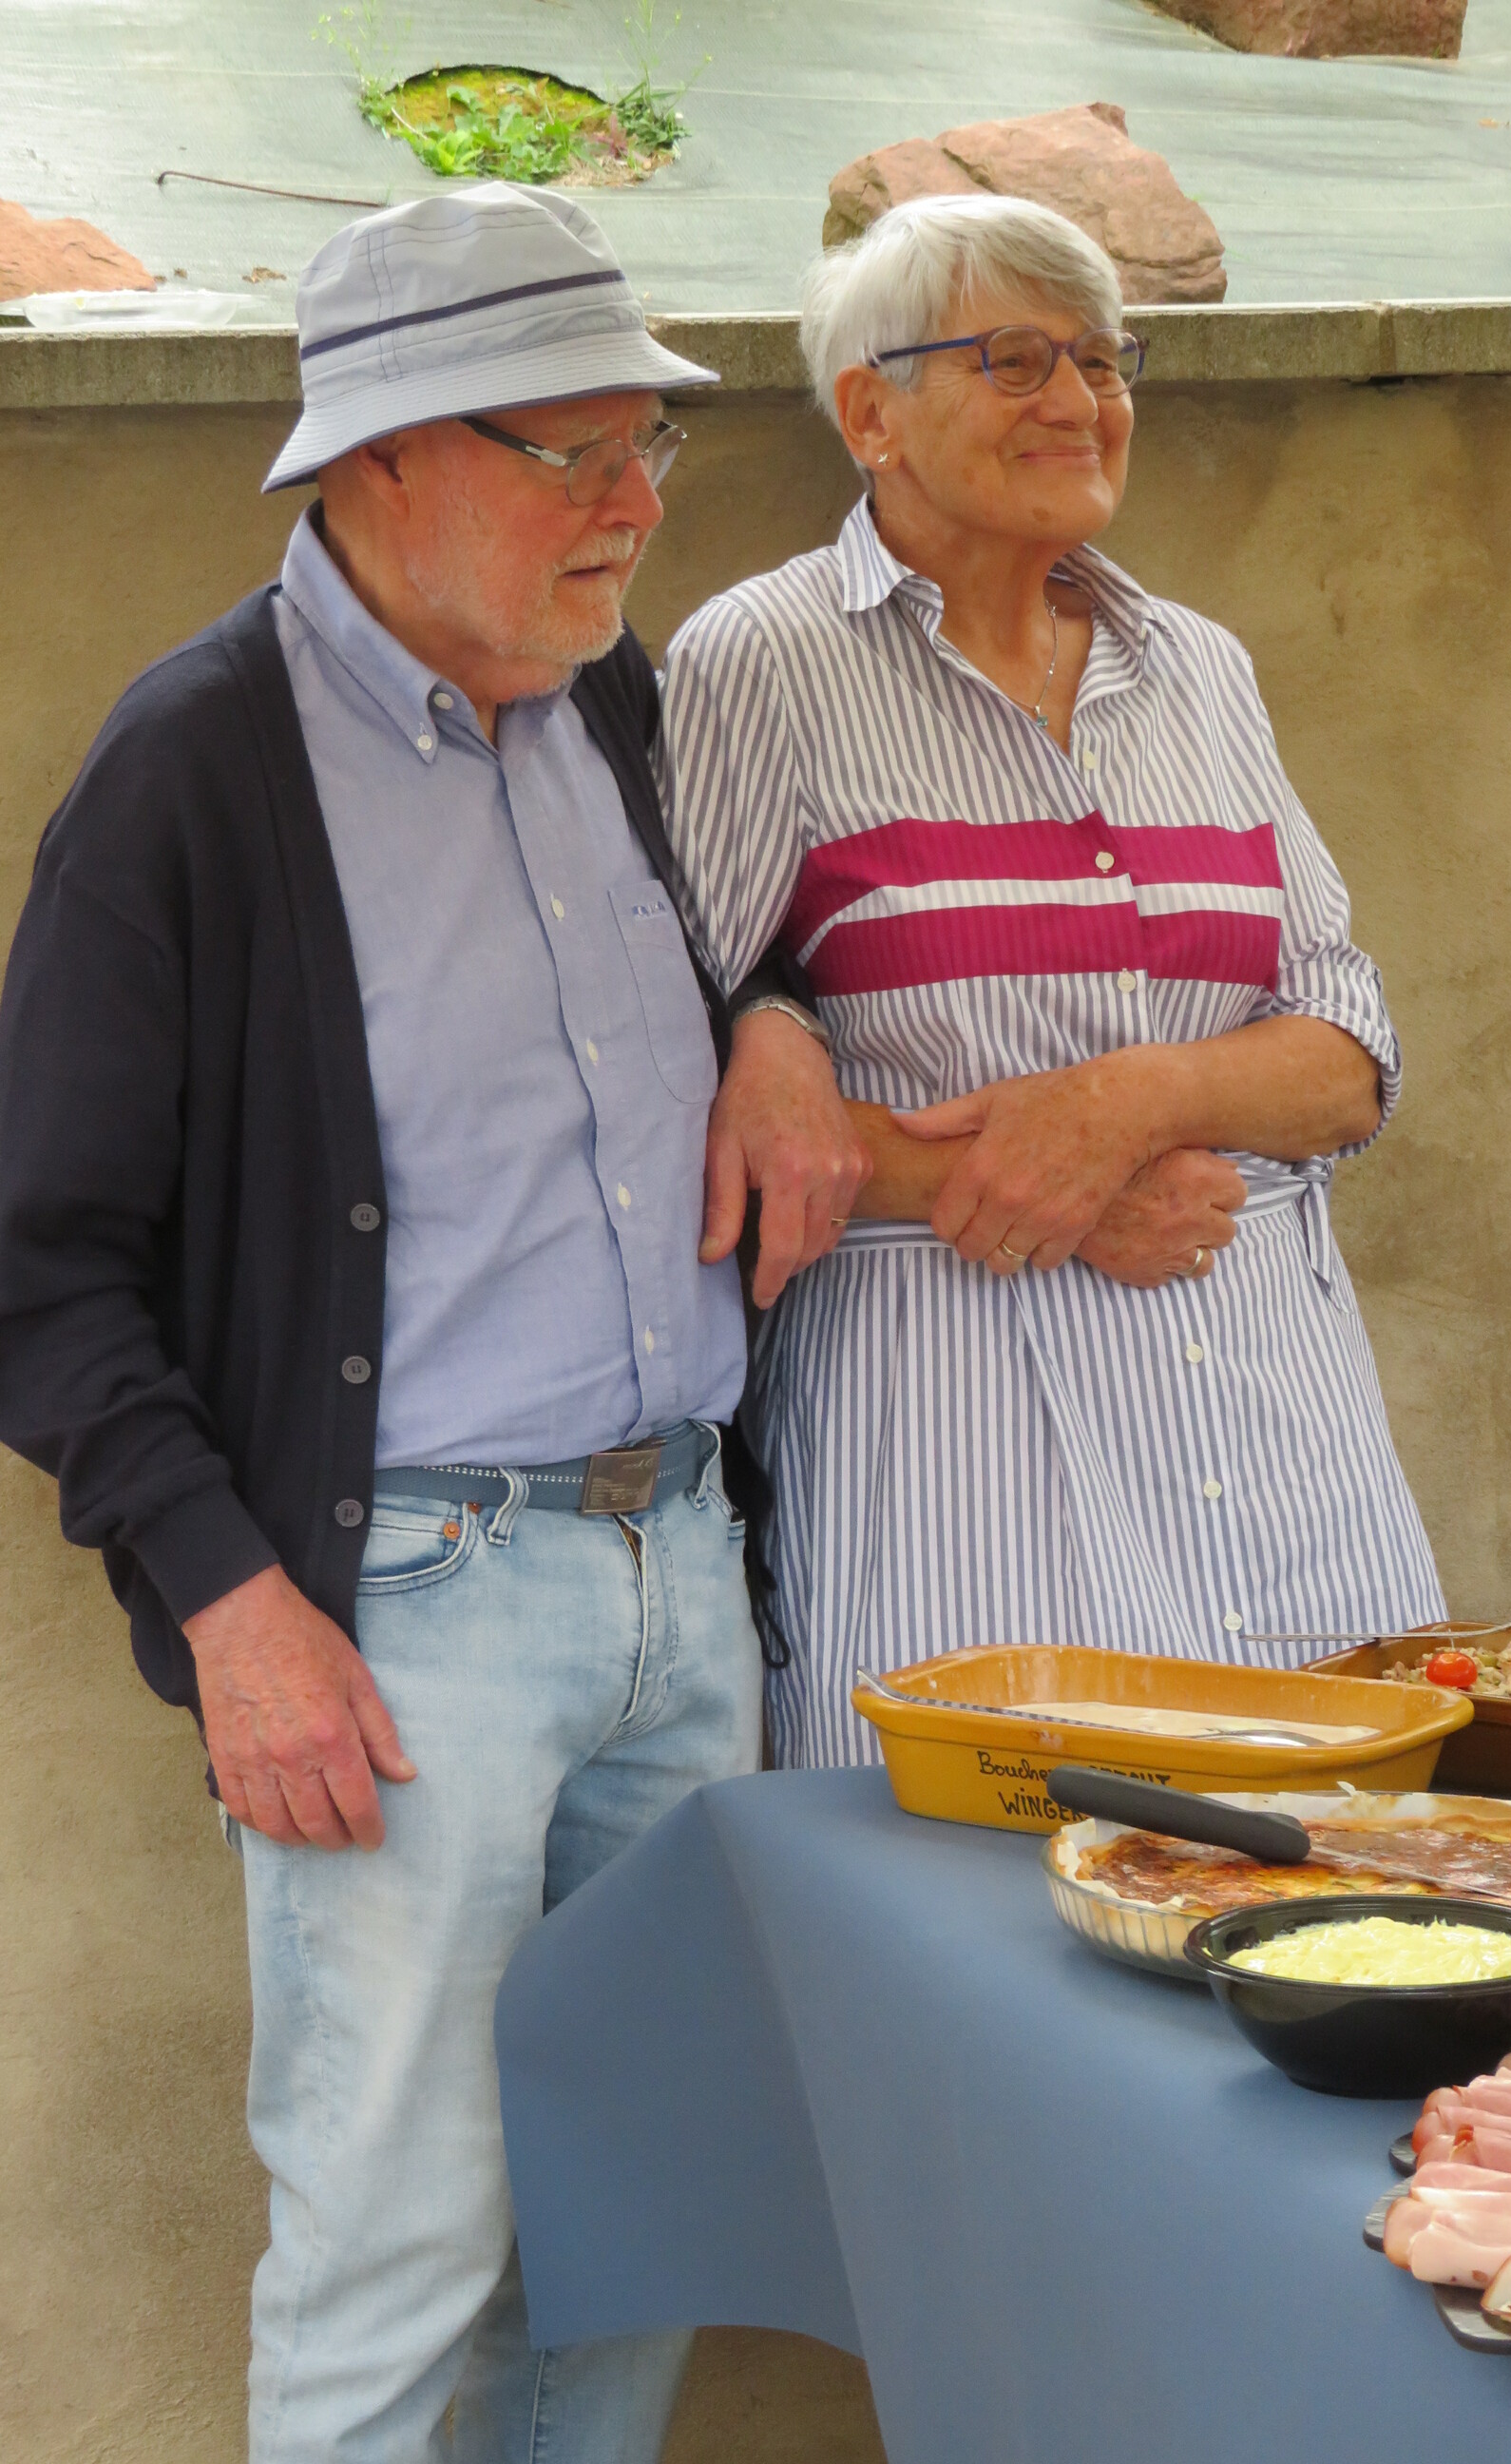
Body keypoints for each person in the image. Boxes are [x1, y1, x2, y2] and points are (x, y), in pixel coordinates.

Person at [0, 184, 861, 2463]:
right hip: (404, 1615)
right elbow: (36, 1265)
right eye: (573, 450)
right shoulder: (197, 772)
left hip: (685, 1567)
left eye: (652, 447)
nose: (637, 504)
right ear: (381, 459)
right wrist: (232, 1601)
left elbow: (726, 949)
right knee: (394, 2239)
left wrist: (775, 1024)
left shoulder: (616, 696)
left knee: (632, 2215)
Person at [658, 195, 1447, 1769]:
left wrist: (1141, 1098)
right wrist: (1044, 1183)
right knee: (970, 1883)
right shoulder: (763, 662)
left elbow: (1351, 1047)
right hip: (958, 1448)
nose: (1080, 399)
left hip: (1276, 1434)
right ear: (870, 414)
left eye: (1102, 359)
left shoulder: (1197, 667)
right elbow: (663, 1079)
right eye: (1015, 360)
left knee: (1332, 1869)